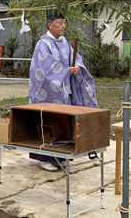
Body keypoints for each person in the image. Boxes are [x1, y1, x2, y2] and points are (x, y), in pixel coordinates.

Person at [29, 16, 98, 171]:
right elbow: (43, 68)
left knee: (62, 122)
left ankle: (59, 156)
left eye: (64, 22)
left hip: (64, 90)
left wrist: (77, 66)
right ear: (50, 25)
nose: (63, 26)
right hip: (46, 93)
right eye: (60, 23)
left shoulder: (65, 42)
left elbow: (76, 58)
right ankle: (45, 158)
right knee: (47, 122)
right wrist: (67, 70)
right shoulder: (43, 44)